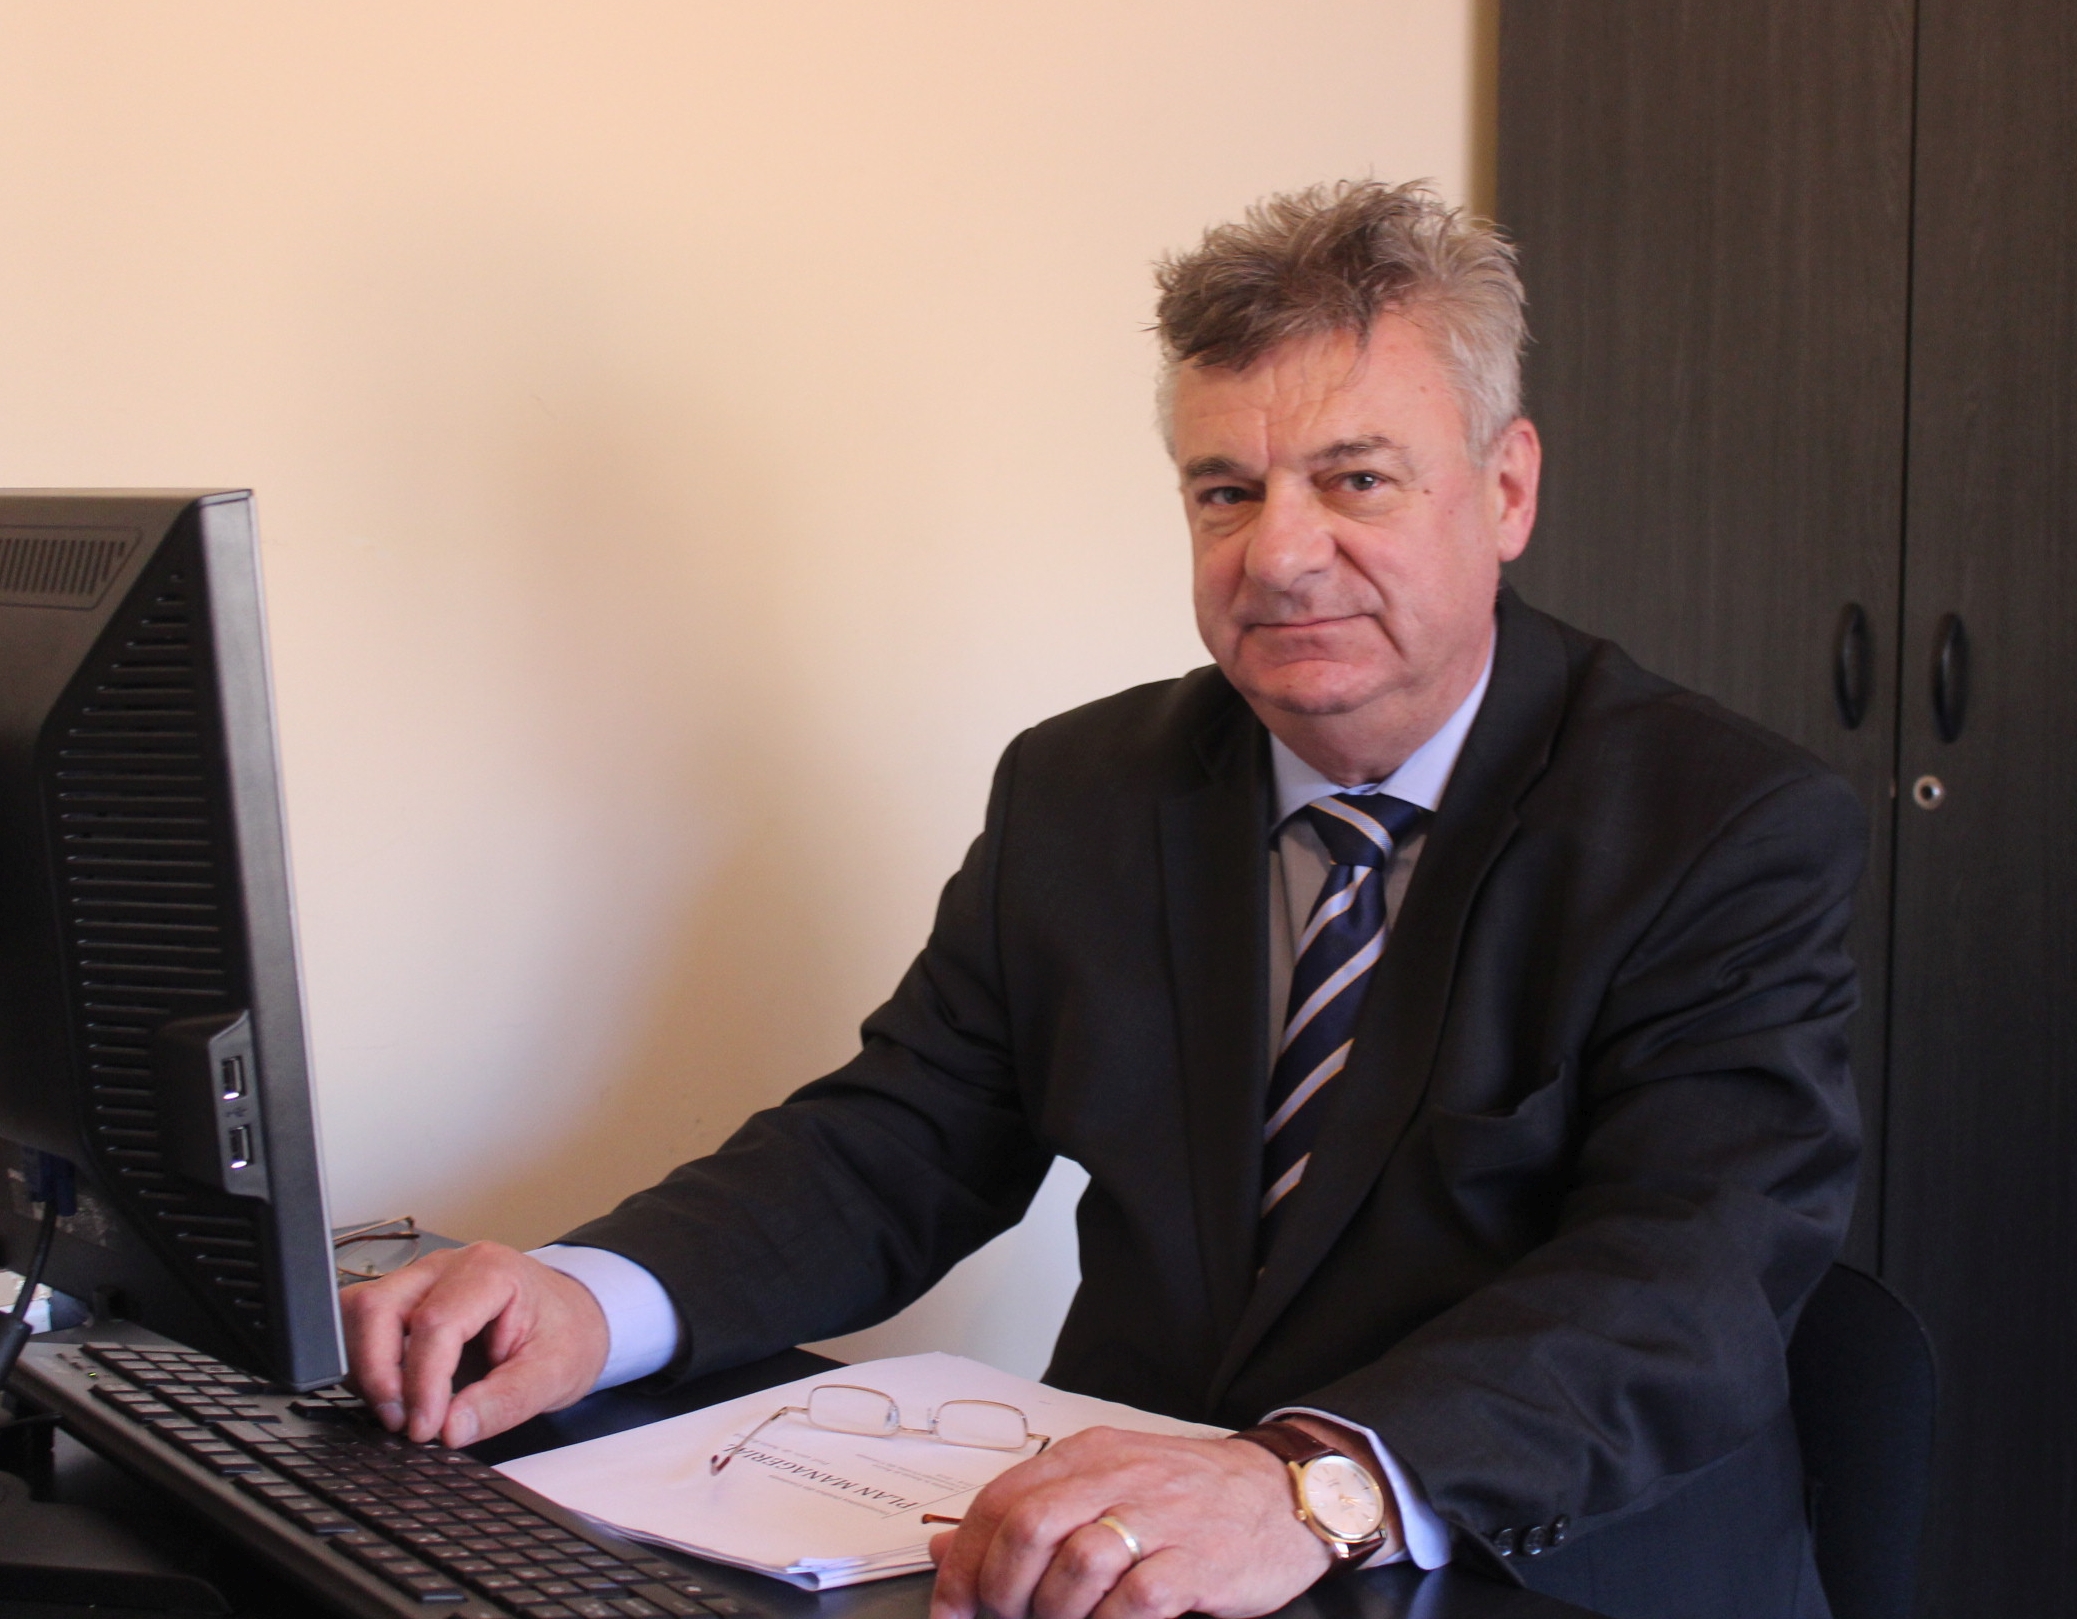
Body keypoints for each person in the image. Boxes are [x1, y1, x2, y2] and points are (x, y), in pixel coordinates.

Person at [343, 181, 1863, 1619]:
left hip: (1532, 1566)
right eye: (1225, 491)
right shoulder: (1084, 791)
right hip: (1126, 1561)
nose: (1281, 554)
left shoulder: (1721, 825)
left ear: (1506, 488)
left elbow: (1692, 1276)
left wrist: (1312, 1483)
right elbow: (902, 1141)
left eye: (1355, 479)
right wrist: (591, 1299)